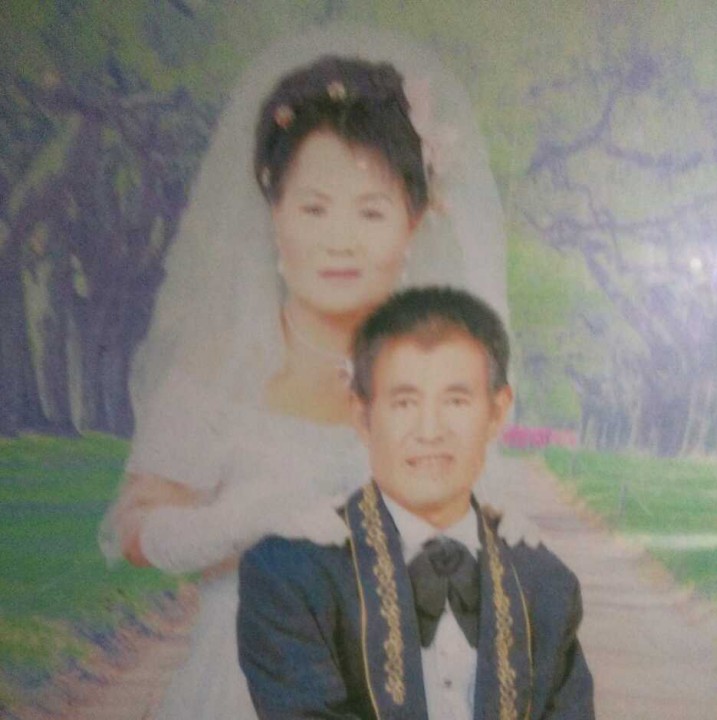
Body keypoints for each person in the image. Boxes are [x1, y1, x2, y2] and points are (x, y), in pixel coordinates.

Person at [99, 24, 527, 720]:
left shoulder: (446, 374)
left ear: (415, 220)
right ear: (275, 211)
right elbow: (135, 530)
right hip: (242, 685)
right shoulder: (218, 369)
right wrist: (244, 520)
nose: (339, 240)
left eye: (371, 211)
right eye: (314, 207)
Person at [239, 286, 594, 720]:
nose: (430, 431)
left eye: (456, 401)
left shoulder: (546, 584)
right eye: (404, 402)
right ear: (362, 416)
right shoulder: (293, 575)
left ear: (497, 412)